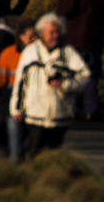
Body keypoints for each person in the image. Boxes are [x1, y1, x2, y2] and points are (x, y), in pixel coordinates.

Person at [11, 13, 92, 158]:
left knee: (53, 155)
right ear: (41, 33)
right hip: (34, 115)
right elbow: (19, 82)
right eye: (51, 32)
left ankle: (52, 179)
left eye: (57, 32)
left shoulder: (68, 52)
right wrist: (16, 108)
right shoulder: (30, 52)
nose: (55, 35)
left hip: (60, 115)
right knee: (34, 153)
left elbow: (85, 75)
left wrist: (66, 84)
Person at [54, 0, 104, 122]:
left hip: (73, 42)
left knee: (71, 75)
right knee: (91, 77)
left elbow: (61, 11)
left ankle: (70, 110)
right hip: (94, 42)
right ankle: (91, 111)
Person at [0, 17, 37, 157]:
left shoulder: (42, 54)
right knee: (15, 144)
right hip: (13, 103)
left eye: (36, 36)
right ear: (21, 36)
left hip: (36, 105)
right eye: (31, 37)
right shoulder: (10, 53)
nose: (34, 40)